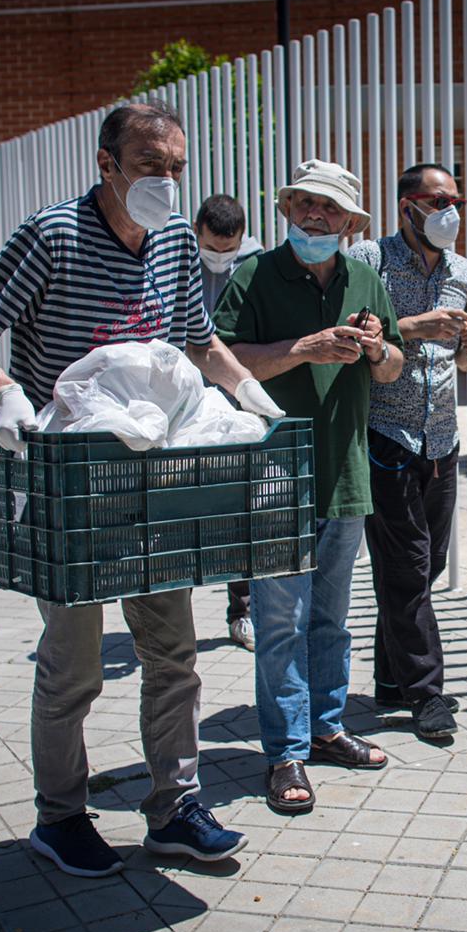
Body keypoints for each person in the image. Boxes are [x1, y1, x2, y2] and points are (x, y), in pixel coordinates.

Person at [0, 102, 285, 876]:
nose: (164, 179)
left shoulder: (172, 242)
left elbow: (198, 342)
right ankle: (59, 817)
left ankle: (175, 810)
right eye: (148, 163)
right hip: (70, 486)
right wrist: (1, 390)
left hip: (149, 487)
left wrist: (247, 396)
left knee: (173, 654)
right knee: (74, 666)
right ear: (107, 164)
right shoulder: (51, 234)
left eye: (175, 167)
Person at [213, 160, 405, 815]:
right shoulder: (254, 275)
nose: (315, 216)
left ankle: (326, 730)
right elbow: (221, 365)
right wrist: (304, 347)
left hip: (346, 477)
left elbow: (394, 371)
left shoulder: (365, 280)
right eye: (304, 204)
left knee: (331, 621)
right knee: (279, 624)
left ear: (351, 223)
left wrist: (378, 350)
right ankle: (285, 753)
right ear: (288, 210)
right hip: (272, 477)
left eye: (329, 209)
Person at [346, 163, 467, 743]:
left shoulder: (462, 269)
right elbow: (352, 340)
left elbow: (464, 359)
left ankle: (388, 677)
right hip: (386, 437)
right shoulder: (368, 262)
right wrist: (414, 325)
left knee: (429, 567)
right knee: (406, 569)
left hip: (442, 439)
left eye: (457, 199)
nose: (449, 211)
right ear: (407, 206)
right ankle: (427, 695)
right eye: (437, 200)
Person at [195, 193, 266, 651]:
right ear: (197, 232)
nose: (220, 258)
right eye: (211, 248)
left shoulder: (257, 265)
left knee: (243, 510)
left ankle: (242, 610)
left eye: (229, 250)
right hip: (188, 401)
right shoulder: (177, 259)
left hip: (238, 400)